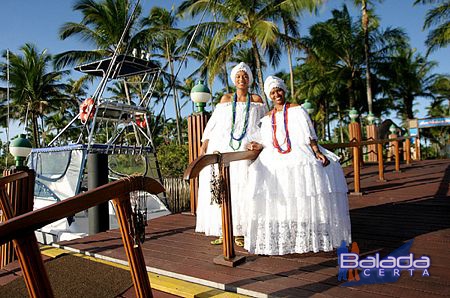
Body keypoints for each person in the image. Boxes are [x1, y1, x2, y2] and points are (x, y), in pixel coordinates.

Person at [244, 75, 351, 255]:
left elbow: (309, 133)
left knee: (306, 184)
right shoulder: (267, 117)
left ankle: (311, 232)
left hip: (298, 150)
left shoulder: (297, 110)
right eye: (272, 92)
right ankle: (284, 234)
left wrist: (317, 152)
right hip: (274, 154)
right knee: (261, 175)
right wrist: (257, 145)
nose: (276, 94)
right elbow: (266, 139)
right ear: (269, 96)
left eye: (278, 90)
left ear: (284, 91)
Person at [195, 62, 267, 246]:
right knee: (222, 186)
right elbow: (213, 124)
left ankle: (241, 231)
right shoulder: (226, 99)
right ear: (233, 80)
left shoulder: (257, 99)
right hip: (223, 143)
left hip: (246, 145)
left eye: (244, 76)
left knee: (243, 187)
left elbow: (264, 125)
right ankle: (223, 229)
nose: (241, 79)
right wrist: (204, 145)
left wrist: (259, 143)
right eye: (238, 76)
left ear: (249, 79)